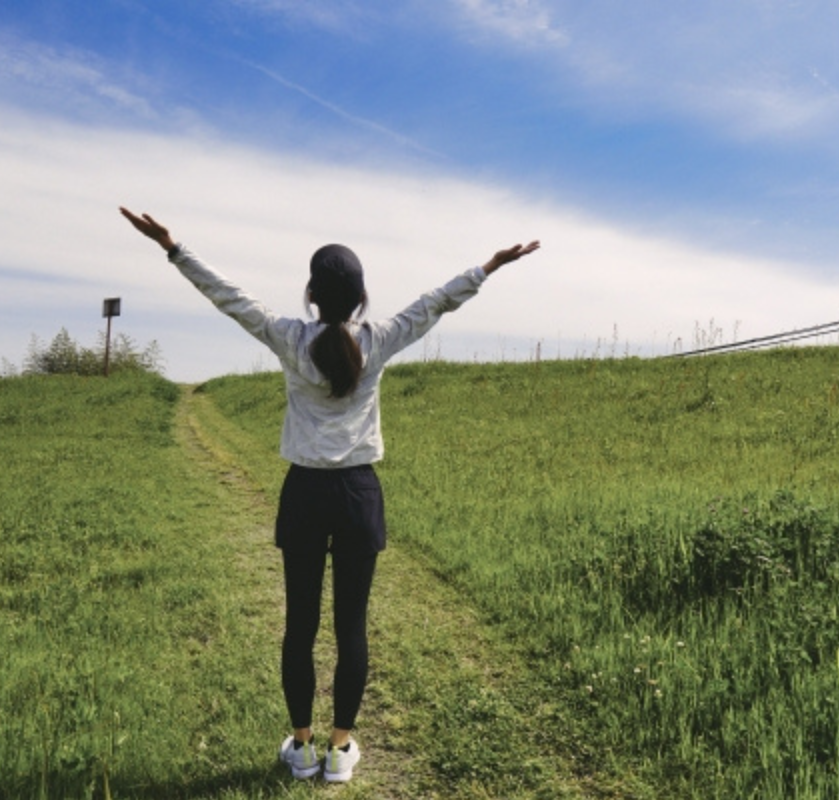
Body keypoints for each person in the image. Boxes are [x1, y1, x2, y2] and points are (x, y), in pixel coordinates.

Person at [120, 206, 540, 783]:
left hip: (305, 493)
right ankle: (341, 751)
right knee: (352, 627)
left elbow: (229, 297)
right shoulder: (380, 338)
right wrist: (488, 266)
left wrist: (173, 247)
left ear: (312, 293)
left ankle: (301, 745)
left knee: (300, 624)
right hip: (359, 493)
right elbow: (435, 302)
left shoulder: (289, 337)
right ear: (361, 295)